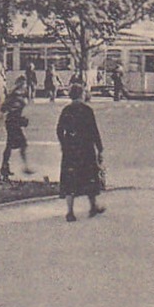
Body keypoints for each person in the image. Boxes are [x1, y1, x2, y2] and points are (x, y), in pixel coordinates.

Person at [56, 84, 105, 222]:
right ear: (81, 94)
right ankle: (93, 206)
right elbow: (94, 131)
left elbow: (59, 130)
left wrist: (64, 144)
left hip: (70, 149)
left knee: (70, 179)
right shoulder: (87, 110)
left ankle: (70, 212)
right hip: (86, 148)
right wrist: (100, 148)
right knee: (90, 177)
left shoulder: (66, 110)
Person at [0, 90, 34, 178]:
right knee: (20, 145)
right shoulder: (17, 100)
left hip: (12, 123)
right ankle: (24, 166)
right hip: (12, 124)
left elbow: (5, 110)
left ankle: (5, 166)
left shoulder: (18, 100)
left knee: (11, 146)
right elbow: (5, 110)